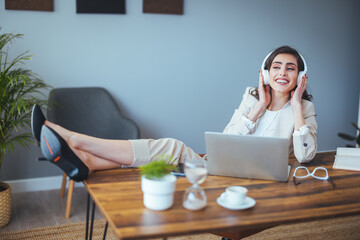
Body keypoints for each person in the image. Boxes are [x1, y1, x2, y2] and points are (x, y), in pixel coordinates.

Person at [32, 45, 317, 182]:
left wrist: (295, 109)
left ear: (299, 76)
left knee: (172, 148)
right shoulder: (251, 97)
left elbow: (306, 156)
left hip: (260, 178)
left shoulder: (303, 109)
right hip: (227, 168)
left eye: (290, 68)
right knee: (171, 148)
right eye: (276, 66)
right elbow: (229, 137)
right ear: (266, 73)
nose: (282, 72)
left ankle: (74, 140)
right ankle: (86, 159)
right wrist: (256, 110)